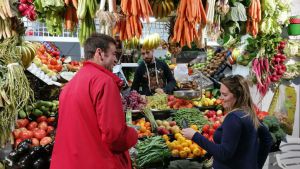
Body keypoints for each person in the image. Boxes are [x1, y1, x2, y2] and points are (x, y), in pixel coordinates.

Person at [50, 33, 138, 169]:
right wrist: (133, 134)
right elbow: (114, 136)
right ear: (100, 53)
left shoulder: (70, 85)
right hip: (97, 162)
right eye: (114, 54)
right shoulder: (104, 82)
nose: (116, 59)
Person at [182, 75, 273, 169]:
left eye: (225, 95)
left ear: (237, 95)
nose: (221, 98)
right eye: (221, 93)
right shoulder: (248, 113)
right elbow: (267, 139)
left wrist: (195, 136)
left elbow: (223, 153)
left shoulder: (234, 118)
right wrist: (257, 165)